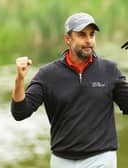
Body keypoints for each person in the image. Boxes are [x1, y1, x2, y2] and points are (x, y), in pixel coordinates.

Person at [11, 12, 128, 168]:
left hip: (101, 159)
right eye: (82, 35)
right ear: (68, 39)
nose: (88, 41)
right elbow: (20, 112)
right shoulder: (48, 74)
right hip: (62, 161)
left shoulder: (110, 70)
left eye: (91, 35)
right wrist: (19, 80)